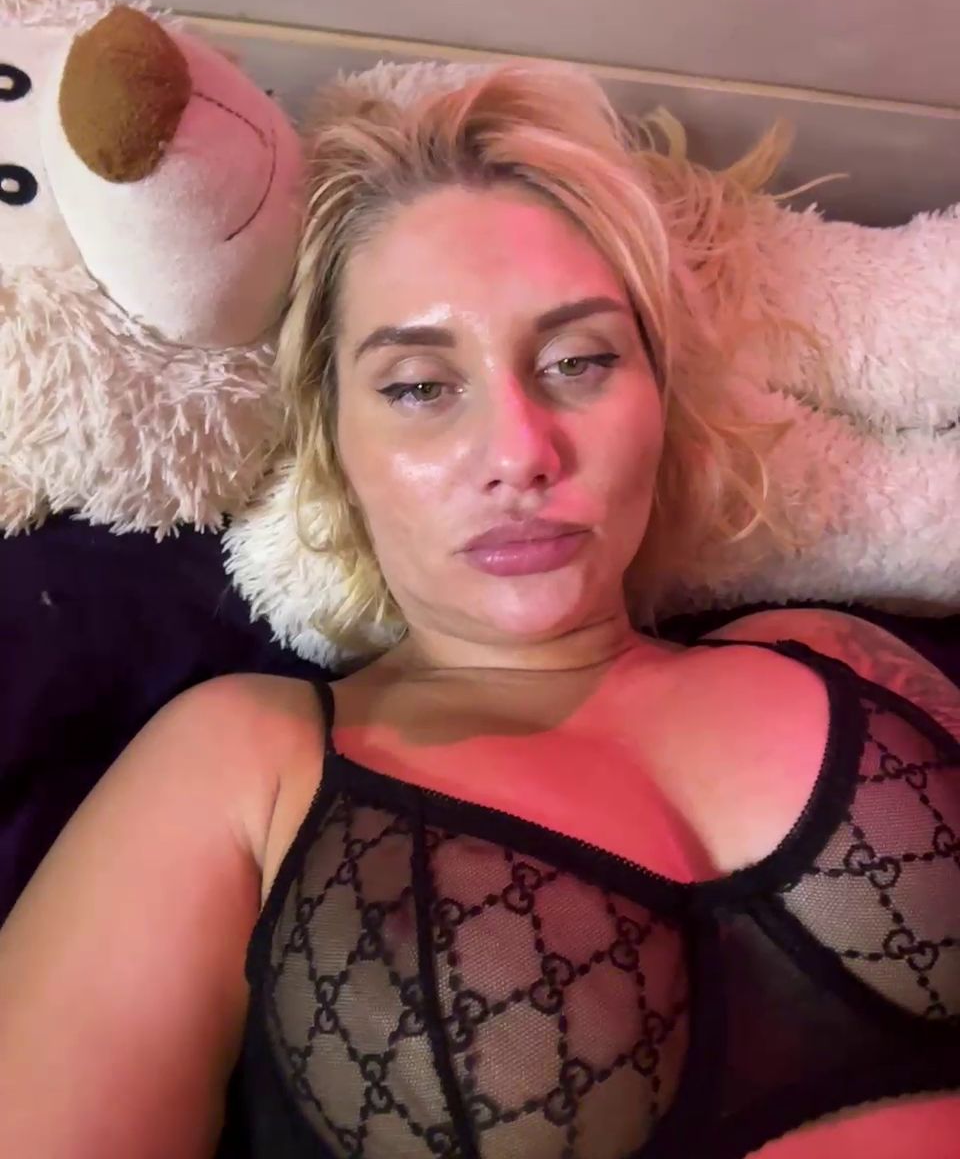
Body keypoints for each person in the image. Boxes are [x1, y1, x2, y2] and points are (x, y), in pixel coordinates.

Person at [0, 62, 956, 1159]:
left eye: (580, 360)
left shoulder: (840, 655)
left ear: (659, 396)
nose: (518, 451)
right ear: (334, 441)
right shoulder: (245, 762)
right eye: (418, 385)